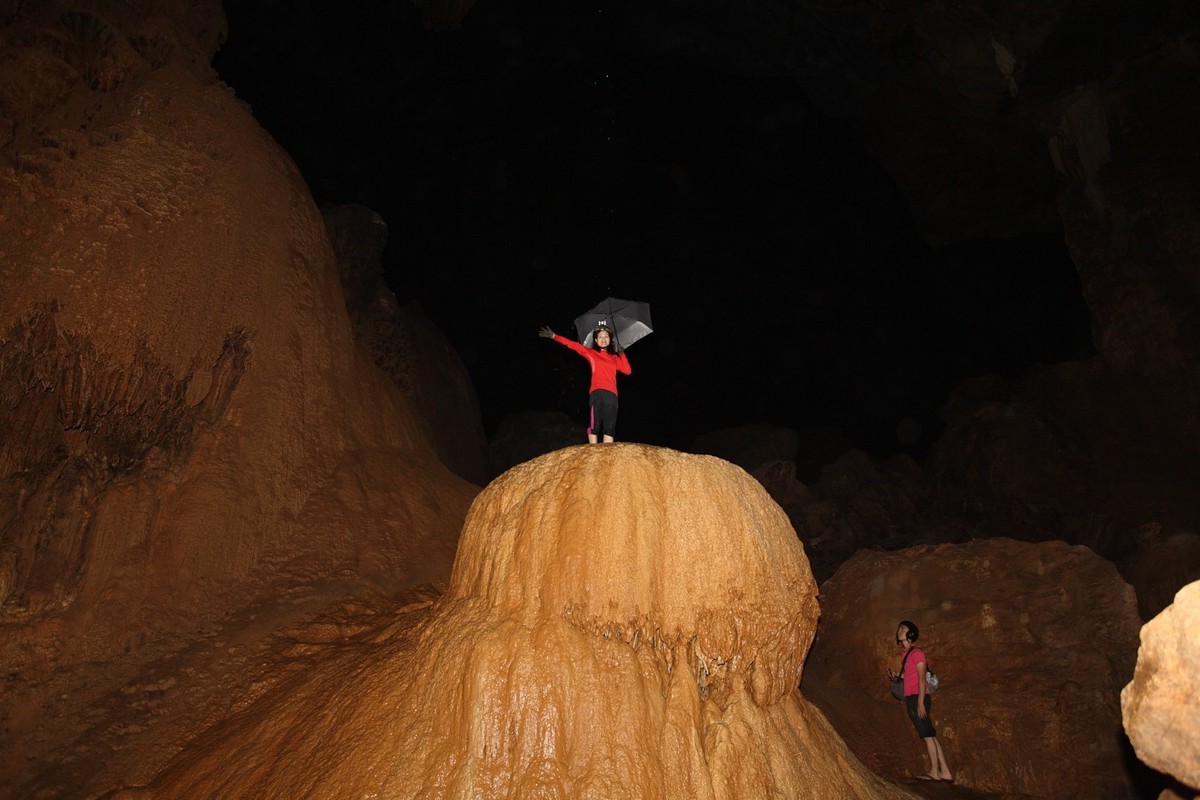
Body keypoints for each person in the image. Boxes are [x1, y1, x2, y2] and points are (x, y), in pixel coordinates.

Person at [539, 321, 631, 443]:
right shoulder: (591, 353)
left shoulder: (614, 358)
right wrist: (554, 336)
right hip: (596, 392)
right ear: (596, 341)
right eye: (600, 337)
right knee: (595, 425)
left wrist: (622, 354)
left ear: (610, 340)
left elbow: (627, 371)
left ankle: (606, 458)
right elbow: (572, 345)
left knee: (609, 427)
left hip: (612, 395)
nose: (603, 339)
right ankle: (593, 453)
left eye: (606, 336)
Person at [886, 620, 953, 782]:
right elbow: (911, 676)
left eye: (903, 628)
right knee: (930, 734)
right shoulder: (906, 654)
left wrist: (921, 702)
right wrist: (898, 676)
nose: (899, 631)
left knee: (927, 736)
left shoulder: (917, 654)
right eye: (899, 628)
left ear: (910, 634)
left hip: (918, 697)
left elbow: (922, 679)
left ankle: (934, 772)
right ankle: (945, 772)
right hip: (912, 696)